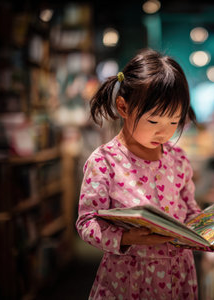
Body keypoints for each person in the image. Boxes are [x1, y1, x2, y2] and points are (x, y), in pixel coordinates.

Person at [76, 49, 201, 300]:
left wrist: (203, 230)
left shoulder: (178, 159)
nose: (164, 133)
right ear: (123, 107)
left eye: (174, 122)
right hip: (129, 279)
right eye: (154, 122)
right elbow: (87, 222)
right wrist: (125, 237)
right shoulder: (105, 162)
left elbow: (190, 208)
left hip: (178, 275)